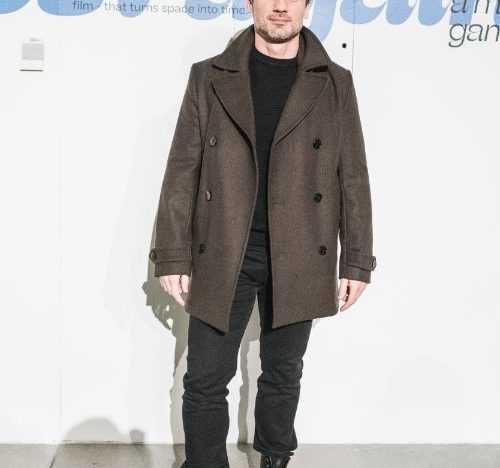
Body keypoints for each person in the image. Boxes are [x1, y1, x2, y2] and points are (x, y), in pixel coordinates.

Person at [149, 1, 377, 467]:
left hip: (300, 249)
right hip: (224, 248)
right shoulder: (209, 76)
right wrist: (172, 254)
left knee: (283, 375)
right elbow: (183, 168)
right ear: (250, 3)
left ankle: (275, 458)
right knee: (205, 379)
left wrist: (356, 260)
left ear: (307, 7)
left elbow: (352, 175)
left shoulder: (335, 83)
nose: (279, 7)